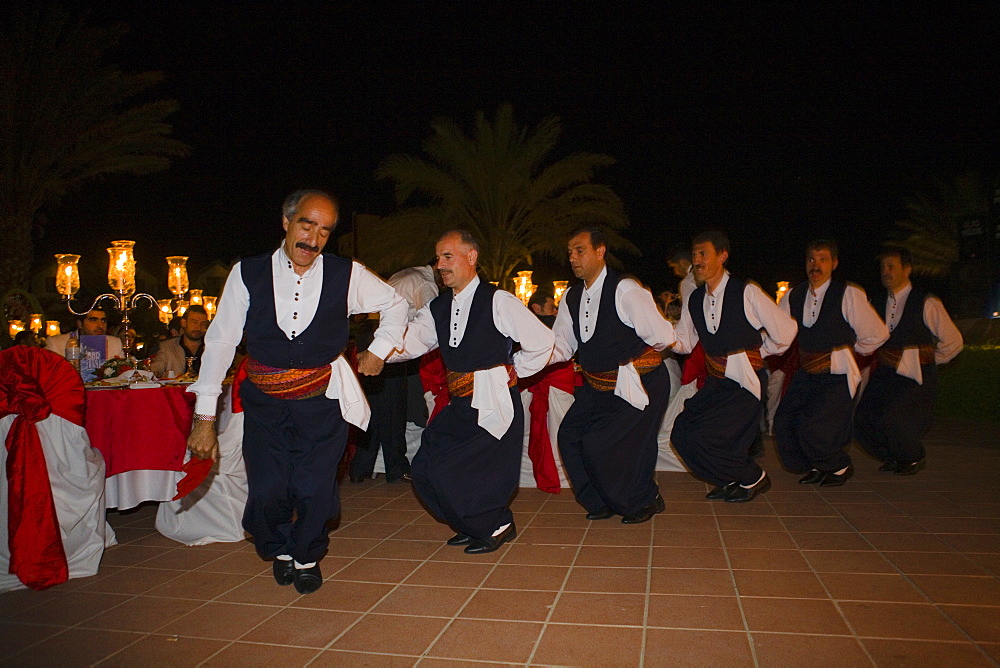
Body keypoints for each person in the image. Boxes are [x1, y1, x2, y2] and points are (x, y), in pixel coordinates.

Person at [186, 189, 407, 594]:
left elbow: (396, 304)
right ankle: (280, 549)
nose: (313, 238)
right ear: (286, 222)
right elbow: (219, 342)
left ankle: (306, 555)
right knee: (270, 490)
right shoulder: (247, 272)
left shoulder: (346, 273)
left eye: (324, 231)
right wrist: (204, 417)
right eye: (306, 224)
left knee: (313, 489)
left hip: (322, 405)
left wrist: (379, 350)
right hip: (265, 405)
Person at [388, 230, 554, 554]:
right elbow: (411, 343)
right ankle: (469, 522)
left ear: (471, 257)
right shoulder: (437, 308)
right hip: (461, 403)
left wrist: (512, 372)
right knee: (425, 466)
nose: (440, 265)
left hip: (494, 403)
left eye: (448, 256)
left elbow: (542, 342)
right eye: (438, 259)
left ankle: (496, 525)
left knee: (469, 470)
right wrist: (379, 352)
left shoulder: (499, 300)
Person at [551, 226, 675, 523]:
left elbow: (662, 335)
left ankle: (644, 499)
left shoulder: (625, 289)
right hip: (598, 387)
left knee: (603, 444)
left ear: (600, 251)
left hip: (640, 382)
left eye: (580, 250)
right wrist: (524, 358)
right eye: (570, 252)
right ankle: (600, 500)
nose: (573, 258)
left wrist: (634, 362)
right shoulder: (571, 296)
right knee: (570, 436)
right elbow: (562, 346)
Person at [672, 230, 797, 502]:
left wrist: (757, 352)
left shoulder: (746, 292)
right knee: (682, 432)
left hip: (744, 382)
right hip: (716, 381)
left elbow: (785, 332)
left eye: (703, 253)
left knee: (711, 436)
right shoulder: (695, 299)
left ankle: (752, 477)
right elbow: (683, 343)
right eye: (694, 255)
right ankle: (729, 478)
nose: (697, 260)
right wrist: (652, 331)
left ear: (723, 256)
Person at [774, 240, 889, 486]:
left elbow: (877, 334)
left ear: (834, 263)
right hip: (806, 371)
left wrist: (849, 353)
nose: (816, 265)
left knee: (816, 424)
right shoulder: (794, 295)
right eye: (811, 260)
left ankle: (838, 466)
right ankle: (815, 464)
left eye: (823, 259)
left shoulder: (848, 293)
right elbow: (778, 330)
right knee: (785, 420)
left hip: (837, 372)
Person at [854, 248, 963, 475]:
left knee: (895, 418)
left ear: (907, 269)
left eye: (891, 266)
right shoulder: (876, 302)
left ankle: (912, 457)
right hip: (885, 373)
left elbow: (954, 341)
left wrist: (926, 360)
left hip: (915, 374)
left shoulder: (926, 302)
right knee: (862, 419)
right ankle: (894, 456)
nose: (885, 272)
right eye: (883, 267)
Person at [150, 305, 210, 378]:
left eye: (203, 324)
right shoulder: (167, 347)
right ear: (184, 323)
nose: (198, 327)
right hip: (177, 388)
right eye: (194, 322)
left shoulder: (212, 347)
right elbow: (157, 368)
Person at [45, 308, 124, 360]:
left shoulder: (114, 343)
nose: (100, 326)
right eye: (93, 320)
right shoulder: (56, 343)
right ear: (80, 324)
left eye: (103, 321)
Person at [660, 243, 698, 315]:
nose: (675, 273)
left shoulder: (686, 282)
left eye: (674, 267)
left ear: (682, 262)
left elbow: (688, 313)